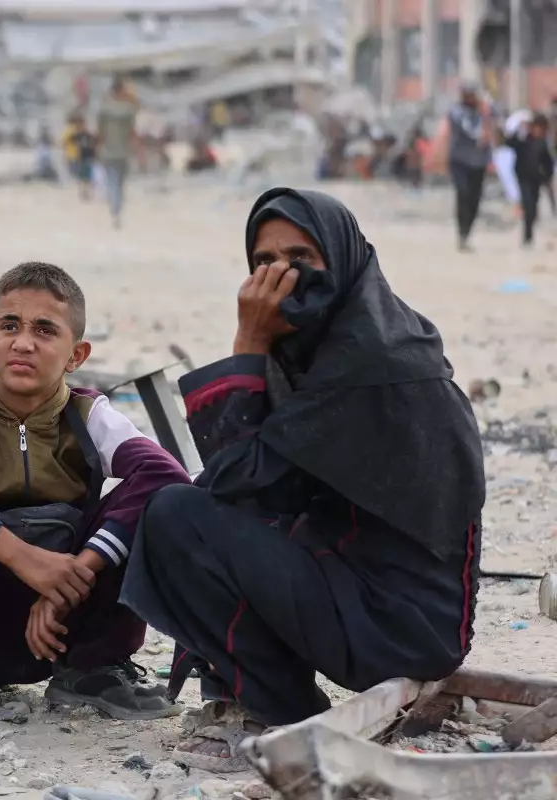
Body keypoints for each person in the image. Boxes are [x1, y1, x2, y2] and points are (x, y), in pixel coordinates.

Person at [120, 188, 484, 773]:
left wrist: (248, 344)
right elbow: (261, 489)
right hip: (363, 586)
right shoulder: (338, 347)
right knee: (200, 509)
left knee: (176, 514)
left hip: (401, 623)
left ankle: (281, 707)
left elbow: (237, 481)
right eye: (264, 263)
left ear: (341, 260)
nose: (281, 276)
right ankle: (262, 692)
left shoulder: (374, 366)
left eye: (300, 258)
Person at [0, 262, 191, 735]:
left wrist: (70, 575)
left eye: (45, 330)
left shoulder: (90, 415)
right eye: (10, 326)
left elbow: (163, 472)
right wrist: (25, 559)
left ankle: (94, 670)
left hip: (67, 624)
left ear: (76, 354)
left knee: (161, 499)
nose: (23, 343)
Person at [447, 84, 492, 251]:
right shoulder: (456, 112)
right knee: (463, 195)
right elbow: (470, 131)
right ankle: (461, 234)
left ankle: (467, 234)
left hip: (479, 163)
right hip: (460, 162)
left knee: (475, 200)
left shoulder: (484, 112)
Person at [97, 76, 140, 229]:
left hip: (108, 151)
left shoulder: (104, 109)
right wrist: (137, 150)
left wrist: (97, 147)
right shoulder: (128, 109)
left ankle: (114, 209)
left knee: (111, 181)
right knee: (120, 183)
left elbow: (100, 132)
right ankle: (117, 208)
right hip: (123, 151)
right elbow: (132, 132)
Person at [510, 113, 555, 247]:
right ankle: (527, 236)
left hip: (537, 180)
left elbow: (548, 163)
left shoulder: (543, 144)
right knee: (528, 204)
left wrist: (548, 178)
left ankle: (529, 234)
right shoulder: (523, 141)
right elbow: (509, 143)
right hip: (523, 178)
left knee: (533, 208)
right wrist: (519, 130)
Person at [63, 114, 95, 201]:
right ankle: (83, 192)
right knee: (81, 177)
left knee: (87, 177)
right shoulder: (76, 135)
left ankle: (86, 192)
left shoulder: (88, 134)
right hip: (80, 158)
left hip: (88, 157)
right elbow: (66, 141)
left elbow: (94, 144)